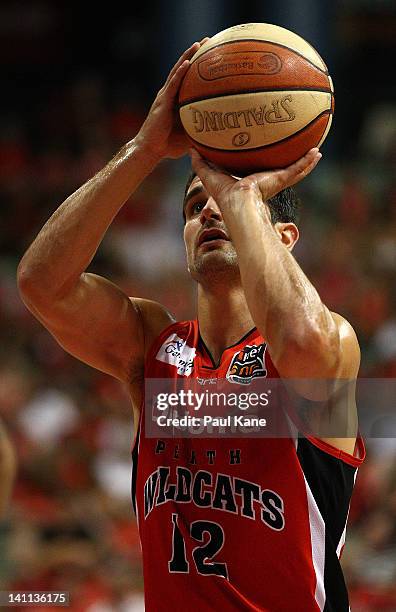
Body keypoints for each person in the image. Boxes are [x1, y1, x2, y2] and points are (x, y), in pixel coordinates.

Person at [18, 39, 365, 612]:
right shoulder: (153, 349)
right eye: (194, 205)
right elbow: (40, 284)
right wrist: (142, 150)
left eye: (225, 203)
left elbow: (301, 338)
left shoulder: (331, 346)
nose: (209, 209)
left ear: (282, 238)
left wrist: (243, 195)